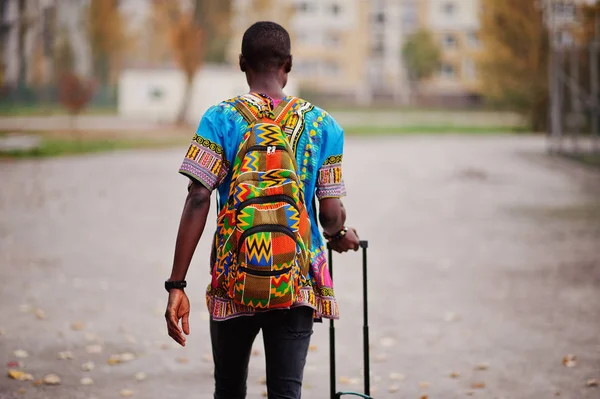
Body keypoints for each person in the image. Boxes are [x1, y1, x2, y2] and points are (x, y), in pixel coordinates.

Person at [164, 21, 360, 399]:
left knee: (229, 389)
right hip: (297, 280)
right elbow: (330, 213)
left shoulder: (219, 119)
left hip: (232, 277)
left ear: (242, 63)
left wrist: (177, 284)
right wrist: (337, 235)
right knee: (287, 393)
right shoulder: (324, 125)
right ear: (288, 64)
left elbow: (198, 198)